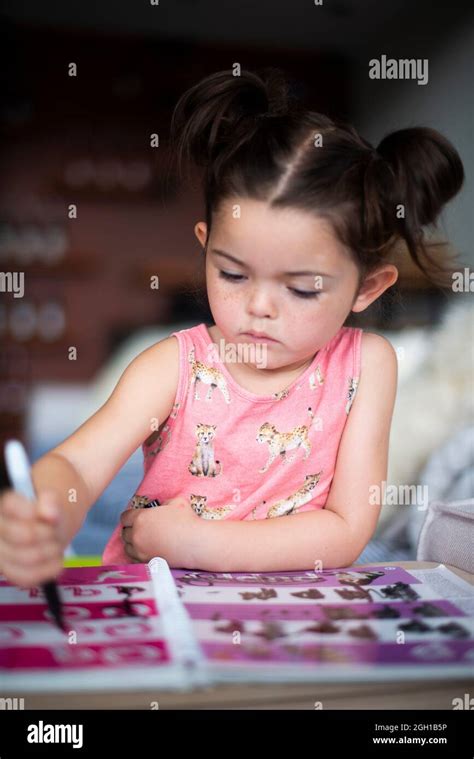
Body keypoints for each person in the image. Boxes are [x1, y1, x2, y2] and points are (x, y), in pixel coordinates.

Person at [0, 68, 465, 583]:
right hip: (161, 610)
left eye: (302, 288)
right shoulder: (173, 365)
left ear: (366, 288)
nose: (259, 306)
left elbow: (348, 528)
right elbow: (78, 468)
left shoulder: (367, 364)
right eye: (233, 273)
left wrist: (195, 541)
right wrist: (40, 514)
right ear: (205, 245)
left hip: (299, 626)